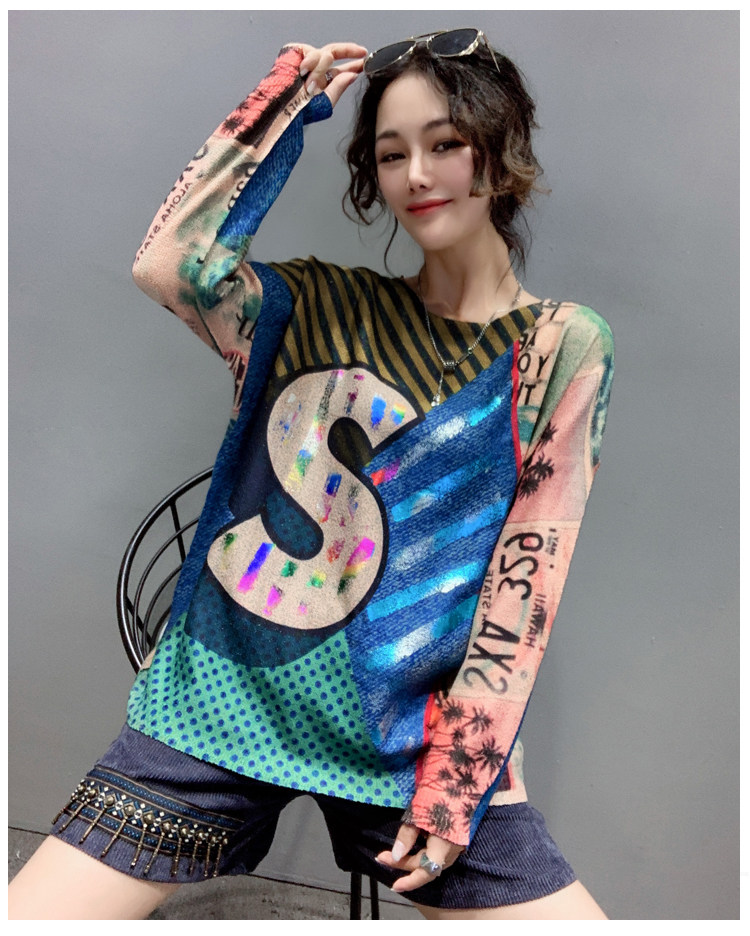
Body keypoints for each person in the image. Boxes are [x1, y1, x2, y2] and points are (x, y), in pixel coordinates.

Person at [9, 30, 613, 920]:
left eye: (446, 143)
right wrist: (284, 105)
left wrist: (456, 784)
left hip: (411, 747)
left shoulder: (560, 345)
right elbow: (170, 266)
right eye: (391, 153)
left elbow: (527, 579)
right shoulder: (313, 304)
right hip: (219, 713)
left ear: (501, 149)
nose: (417, 174)